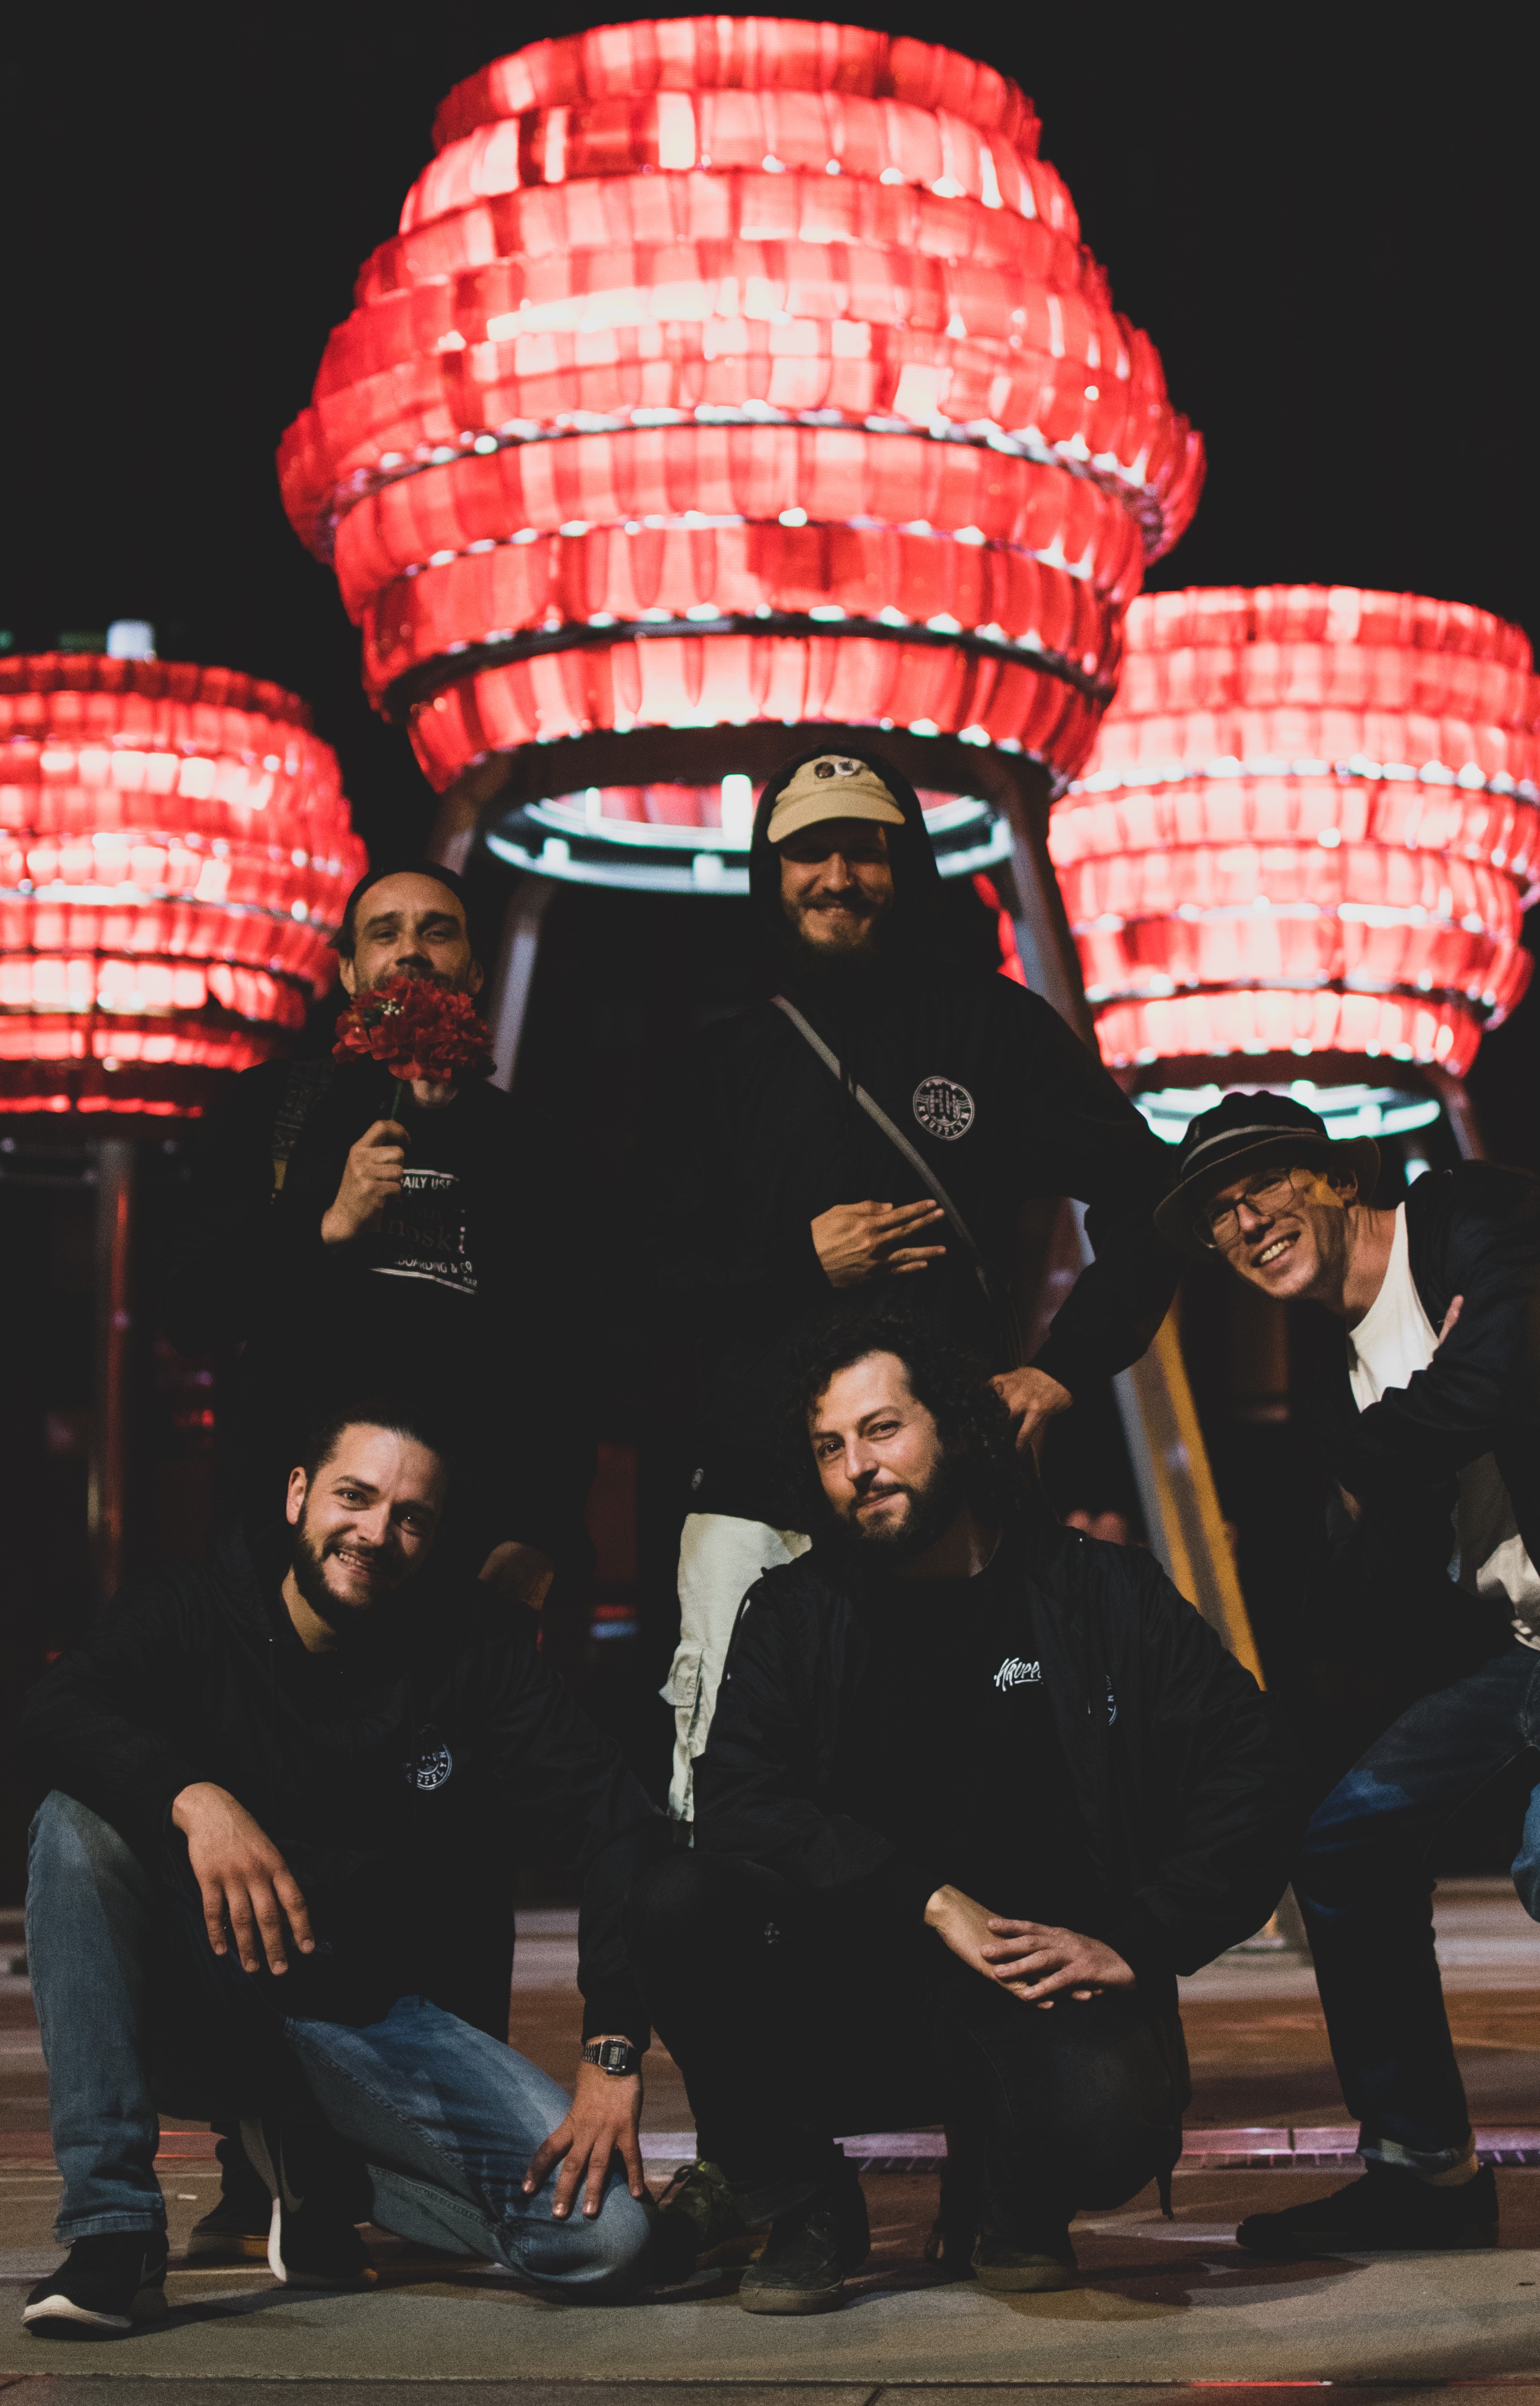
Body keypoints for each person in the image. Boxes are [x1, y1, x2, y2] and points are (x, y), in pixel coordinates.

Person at [1153, 1092, 1540, 2310]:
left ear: (1336, 1177)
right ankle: (1422, 2172)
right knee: (1344, 1840)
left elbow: (1506, 1384)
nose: (1246, 1221)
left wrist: (1378, 1445)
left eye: (1263, 1184)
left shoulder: (1486, 1219)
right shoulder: (1346, 1363)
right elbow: (1381, 1556)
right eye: (1219, 1216)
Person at [627, 1307, 1295, 2313]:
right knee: (673, 1902)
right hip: (854, 1986)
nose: (858, 1466)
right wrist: (930, 1899)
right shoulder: (797, 1611)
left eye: (881, 1429)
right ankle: (807, 2202)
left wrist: (1143, 1936)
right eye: (830, 1446)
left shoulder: (1094, 1593)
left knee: (1109, 2126)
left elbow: (1254, 1763)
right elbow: (738, 1801)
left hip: (1035, 1986)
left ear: (953, 1426)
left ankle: (1011, 2191)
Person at [19, 1405, 662, 2338]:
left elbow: (616, 1822)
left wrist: (612, 2051)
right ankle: (114, 2229)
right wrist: (193, 1796)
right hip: (193, 1990)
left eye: (411, 1517)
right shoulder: (193, 1607)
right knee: (75, 1824)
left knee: (607, 2237)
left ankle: (315, 2160)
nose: (375, 1533)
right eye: (354, 1498)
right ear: (298, 1497)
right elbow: (52, 1713)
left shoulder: (472, 1649)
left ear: (434, 1538)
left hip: (363, 2018)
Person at [648, 748, 1180, 1818]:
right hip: (755, 1497)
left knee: (955, 1788)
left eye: (865, 850)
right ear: (770, 871)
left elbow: (1153, 1196)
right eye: (810, 852)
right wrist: (801, 1262)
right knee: (734, 1800)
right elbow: (645, 1278)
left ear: (906, 867)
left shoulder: (990, 1029)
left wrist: (1063, 1370)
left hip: (945, 1499)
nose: (838, 877)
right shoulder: (725, 1062)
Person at [164, 861, 574, 1615]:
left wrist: (543, 1530)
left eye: (437, 932)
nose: (411, 949)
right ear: (350, 971)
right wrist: (326, 1225)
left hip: (460, 1547)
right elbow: (190, 1310)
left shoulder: (532, 1145)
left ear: (475, 970)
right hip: (279, 1538)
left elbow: (562, 1357)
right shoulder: (272, 1107)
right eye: (385, 934)